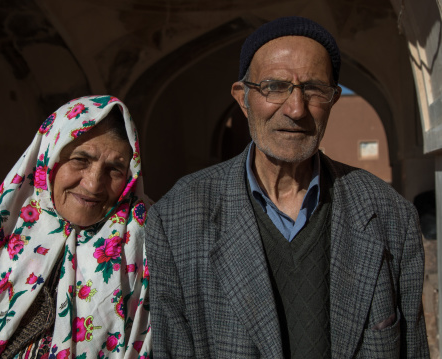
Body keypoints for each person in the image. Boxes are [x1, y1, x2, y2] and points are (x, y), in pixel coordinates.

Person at [145, 16, 429, 358]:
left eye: (314, 89)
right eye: (274, 87)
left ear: (333, 99)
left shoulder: (390, 215)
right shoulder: (177, 219)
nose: (296, 109)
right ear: (243, 97)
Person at [0, 96, 151, 358]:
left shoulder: (145, 242)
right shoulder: (9, 229)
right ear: (48, 159)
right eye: (80, 160)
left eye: (114, 169)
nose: (94, 184)